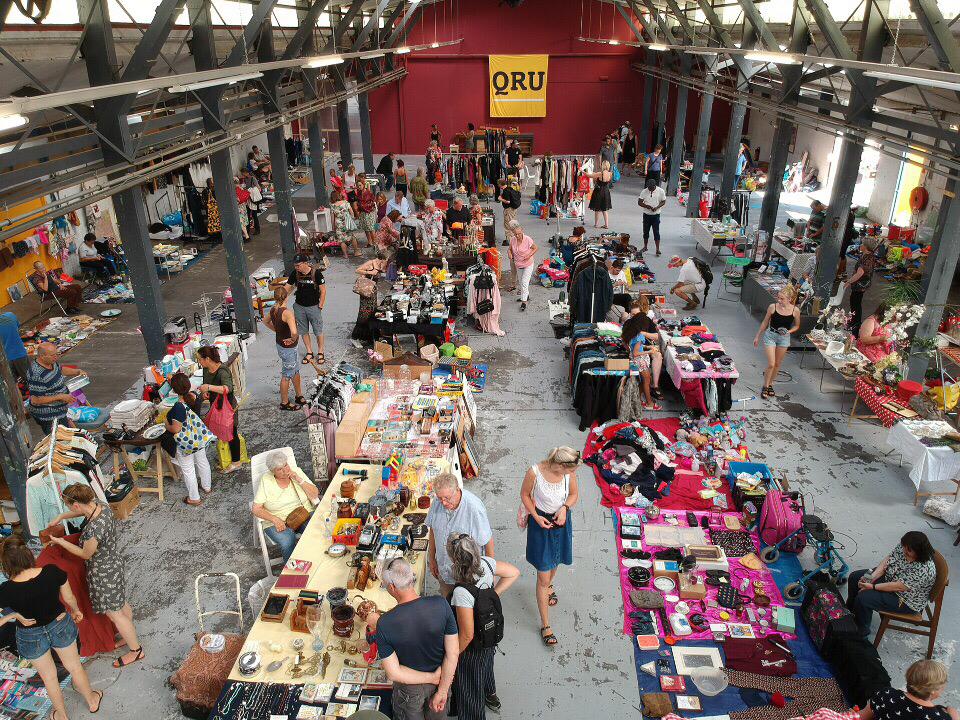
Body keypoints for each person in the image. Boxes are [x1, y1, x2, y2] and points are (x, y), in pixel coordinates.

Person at [0, 537, 103, 720]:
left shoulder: (6, 590)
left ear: (6, 563)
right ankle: (92, 700)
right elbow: (69, 598)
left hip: (30, 635)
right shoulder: (51, 571)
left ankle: (61, 715)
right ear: (28, 554)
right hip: (59, 624)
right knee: (75, 667)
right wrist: (76, 611)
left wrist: (13, 616)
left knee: (49, 678)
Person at [47, 483, 145, 668]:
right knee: (121, 603)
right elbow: (81, 511)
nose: (69, 509)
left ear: (76, 504)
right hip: (114, 563)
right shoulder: (100, 505)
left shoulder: (94, 529)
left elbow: (85, 554)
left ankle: (136, 650)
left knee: (115, 614)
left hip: (103, 573)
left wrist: (61, 542)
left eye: (69, 506)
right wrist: (62, 516)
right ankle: (129, 635)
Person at [365, 558, 458, 719]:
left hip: (410, 690)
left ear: (392, 587)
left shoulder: (385, 623)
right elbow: (453, 653)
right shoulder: (441, 604)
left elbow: (393, 673)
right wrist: (442, 690)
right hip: (442, 680)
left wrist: (430, 678)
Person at [448, 534, 520, 719]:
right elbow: (513, 572)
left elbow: (467, 635)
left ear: (455, 559)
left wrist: (453, 656)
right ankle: (490, 693)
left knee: (469, 684)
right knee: (486, 664)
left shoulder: (462, 592)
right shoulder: (487, 564)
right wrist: (491, 595)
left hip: (473, 646)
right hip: (489, 633)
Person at [519, 447, 580, 647]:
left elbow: (573, 494)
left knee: (556, 560)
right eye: (570, 469)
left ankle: (549, 586)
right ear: (560, 465)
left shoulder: (569, 474)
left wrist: (565, 508)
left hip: (560, 522)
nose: (572, 473)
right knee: (543, 575)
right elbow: (525, 495)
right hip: (541, 524)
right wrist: (536, 517)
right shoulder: (534, 472)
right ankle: (545, 625)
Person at [846, 531, 937, 637]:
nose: (904, 553)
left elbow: (897, 586)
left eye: (908, 553)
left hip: (904, 599)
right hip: (891, 577)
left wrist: (872, 586)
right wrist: (871, 577)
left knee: (863, 598)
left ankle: (861, 631)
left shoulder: (923, 569)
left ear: (919, 552)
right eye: (904, 549)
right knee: (855, 577)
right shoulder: (906, 546)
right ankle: (850, 611)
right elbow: (888, 560)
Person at [426, 473, 493, 598]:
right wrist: (432, 559)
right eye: (440, 498)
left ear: (457, 489)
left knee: (467, 604)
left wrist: (489, 574)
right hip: (445, 570)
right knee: (448, 601)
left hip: (467, 575)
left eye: (447, 498)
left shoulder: (474, 508)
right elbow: (433, 530)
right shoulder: (437, 502)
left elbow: (487, 541)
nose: (443, 503)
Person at [251, 450, 319, 562]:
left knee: (316, 530)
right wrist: (274, 519)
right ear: (272, 471)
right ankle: (292, 569)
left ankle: (315, 560)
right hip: (277, 519)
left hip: (302, 514)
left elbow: (315, 494)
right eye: (279, 469)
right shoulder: (266, 480)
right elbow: (256, 508)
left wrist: (298, 479)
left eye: (286, 465)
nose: (285, 470)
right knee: (288, 540)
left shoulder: (296, 471)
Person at [166, 371, 217, 504]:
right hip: (197, 436)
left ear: (174, 390)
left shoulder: (178, 407)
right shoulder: (195, 397)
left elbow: (176, 429)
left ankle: (194, 498)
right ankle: (207, 487)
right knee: (202, 461)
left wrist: (166, 425)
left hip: (186, 442)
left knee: (188, 469)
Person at [196, 345, 243, 473]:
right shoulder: (206, 370)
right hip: (216, 406)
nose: (199, 362)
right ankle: (226, 457)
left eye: (200, 359)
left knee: (231, 432)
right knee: (221, 431)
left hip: (227, 407)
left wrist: (209, 387)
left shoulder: (223, 371)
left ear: (207, 359)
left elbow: (227, 388)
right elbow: (207, 386)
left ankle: (236, 462)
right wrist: (206, 393)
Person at [860, 660, 957, 720]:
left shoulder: (885, 694)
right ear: (933, 691)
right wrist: (954, 714)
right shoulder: (939, 717)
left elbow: (861, 717)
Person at [753, 286, 801, 399]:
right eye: (778, 298)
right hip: (771, 335)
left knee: (777, 364)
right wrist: (757, 336)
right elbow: (765, 322)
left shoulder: (795, 310)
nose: (779, 300)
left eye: (782, 299)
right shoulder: (772, 307)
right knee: (771, 363)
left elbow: (797, 326)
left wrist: (788, 331)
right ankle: (765, 386)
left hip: (784, 338)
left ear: (789, 299)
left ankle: (770, 384)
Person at [27, 342, 85, 434]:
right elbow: (36, 400)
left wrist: (77, 371)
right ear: (42, 356)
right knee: (59, 439)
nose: (56, 357)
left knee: (68, 436)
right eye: (52, 355)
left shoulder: (51, 362)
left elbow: (60, 370)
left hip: (60, 411)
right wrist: (60, 396)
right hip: (49, 416)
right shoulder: (36, 374)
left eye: (56, 354)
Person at [263, 287, 303, 411]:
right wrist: (292, 339)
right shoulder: (287, 313)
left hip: (280, 345)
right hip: (289, 348)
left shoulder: (273, 310)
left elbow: (265, 321)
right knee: (287, 374)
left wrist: (276, 330)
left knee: (295, 370)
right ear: (287, 297)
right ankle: (284, 402)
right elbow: (294, 332)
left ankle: (299, 395)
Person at [284, 253, 327, 366]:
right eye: (295, 265)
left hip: (314, 307)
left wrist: (320, 306)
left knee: (318, 330)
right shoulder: (295, 273)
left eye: (298, 265)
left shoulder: (316, 274)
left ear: (305, 263)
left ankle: (321, 351)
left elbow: (323, 291)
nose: (296, 267)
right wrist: (279, 296)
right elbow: (287, 287)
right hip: (299, 307)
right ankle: (309, 352)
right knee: (303, 331)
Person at [622, 300, 664, 408]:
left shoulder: (630, 330)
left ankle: (638, 400)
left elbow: (629, 346)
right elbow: (636, 353)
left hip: (637, 358)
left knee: (645, 380)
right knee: (646, 380)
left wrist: (647, 347)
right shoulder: (639, 335)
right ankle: (649, 403)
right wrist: (649, 351)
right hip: (640, 360)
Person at [844, 235, 880, 332]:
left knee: (855, 303)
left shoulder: (867, 258)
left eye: (862, 244)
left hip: (860, 285)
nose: (860, 245)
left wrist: (849, 281)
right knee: (855, 302)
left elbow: (860, 273)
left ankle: (855, 323)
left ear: (866, 246)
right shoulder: (868, 256)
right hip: (862, 284)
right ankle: (854, 321)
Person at [354, 253, 389, 343]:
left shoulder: (381, 265)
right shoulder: (371, 263)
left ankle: (369, 335)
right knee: (364, 312)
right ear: (383, 259)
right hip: (366, 291)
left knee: (372, 311)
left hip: (373, 291)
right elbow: (357, 270)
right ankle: (359, 336)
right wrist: (369, 272)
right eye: (386, 260)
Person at [508, 223, 538, 312]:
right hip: (518, 264)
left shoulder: (527, 239)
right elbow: (509, 249)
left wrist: (529, 255)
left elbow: (535, 248)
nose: (517, 236)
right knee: (521, 282)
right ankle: (526, 296)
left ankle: (524, 302)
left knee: (524, 282)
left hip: (528, 264)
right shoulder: (512, 240)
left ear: (522, 231)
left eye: (519, 234)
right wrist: (509, 254)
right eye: (515, 234)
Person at [637, 176, 667, 255]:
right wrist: (647, 206)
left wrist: (657, 207)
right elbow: (639, 202)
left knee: (656, 232)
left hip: (656, 215)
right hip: (646, 215)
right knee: (645, 232)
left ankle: (657, 249)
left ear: (655, 186)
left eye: (651, 188)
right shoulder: (644, 191)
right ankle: (645, 247)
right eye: (648, 187)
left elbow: (663, 201)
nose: (649, 189)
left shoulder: (661, 191)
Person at [0, 311, 30, 384]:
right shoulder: (10, 315)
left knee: (12, 384)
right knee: (30, 380)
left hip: (5, 359)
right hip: (19, 353)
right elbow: (16, 329)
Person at [330, 189, 361, 258]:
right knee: (352, 237)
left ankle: (345, 255)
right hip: (347, 223)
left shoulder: (333, 206)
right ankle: (356, 252)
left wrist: (333, 227)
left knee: (342, 240)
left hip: (339, 224)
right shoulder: (345, 203)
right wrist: (351, 219)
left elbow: (332, 218)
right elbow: (352, 212)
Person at [585, 161, 613, 229]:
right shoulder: (610, 173)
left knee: (597, 209)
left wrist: (582, 171)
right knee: (604, 209)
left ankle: (596, 224)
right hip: (606, 192)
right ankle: (606, 225)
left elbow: (589, 176)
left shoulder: (600, 174)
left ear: (603, 165)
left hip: (599, 192)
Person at [356, 174, 378, 248]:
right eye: (358, 186)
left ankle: (375, 243)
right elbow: (358, 202)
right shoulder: (359, 193)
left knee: (371, 228)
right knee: (366, 229)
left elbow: (373, 202)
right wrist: (359, 209)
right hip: (363, 213)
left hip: (369, 212)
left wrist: (365, 206)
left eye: (360, 185)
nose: (359, 187)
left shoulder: (368, 192)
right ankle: (369, 242)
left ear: (363, 185)